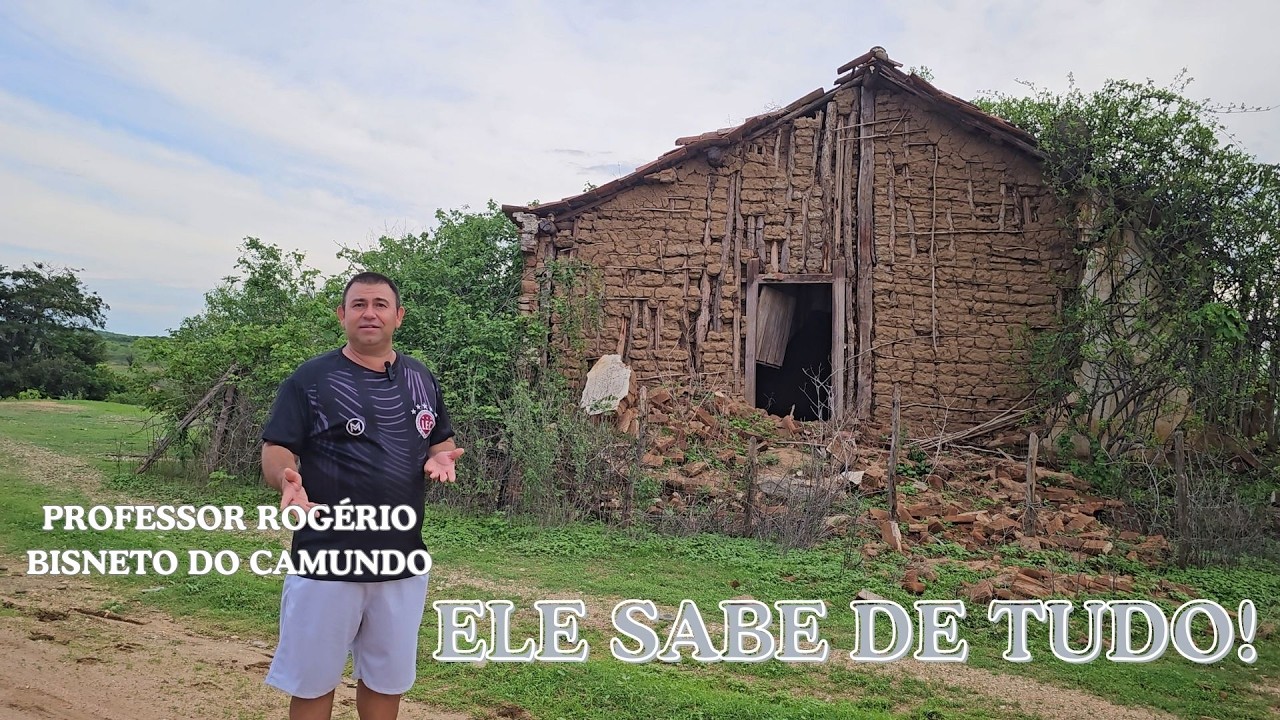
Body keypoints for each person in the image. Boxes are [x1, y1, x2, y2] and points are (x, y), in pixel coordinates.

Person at [260, 271, 464, 720]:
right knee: (313, 681)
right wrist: (286, 479)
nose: (369, 313)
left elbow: (440, 440)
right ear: (342, 315)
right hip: (326, 559)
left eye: (379, 304)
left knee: (385, 680)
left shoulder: (420, 377)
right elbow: (276, 446)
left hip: (401, 559)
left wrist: (443, 458)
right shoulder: (311, 379)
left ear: (398, 316)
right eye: (358, 305)